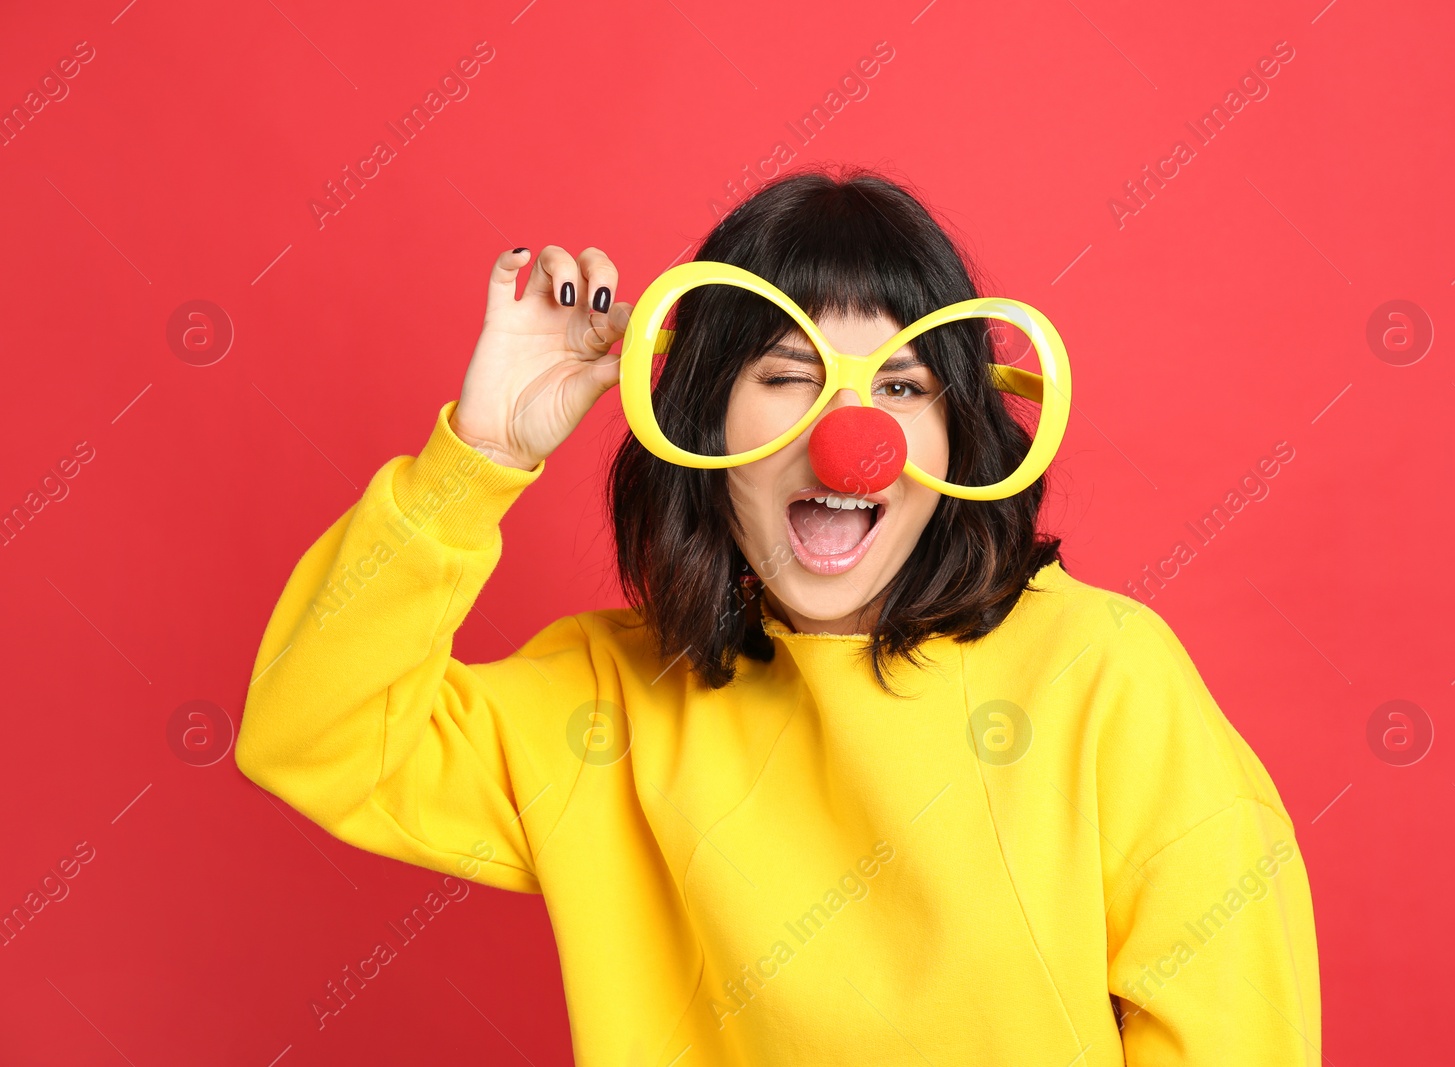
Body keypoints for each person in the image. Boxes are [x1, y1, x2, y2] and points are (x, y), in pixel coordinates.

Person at [236, 166, 1320, 1065]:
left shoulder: (1103, 677)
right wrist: (480, 457)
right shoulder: (609, 702)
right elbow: (315, 734)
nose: (850, 435)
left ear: (957, 438)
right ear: (700, 417)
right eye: (790, 374)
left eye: (900, 388)